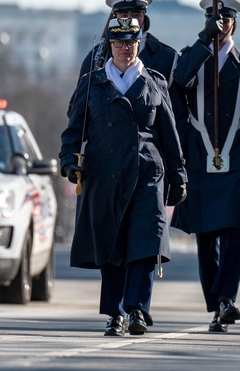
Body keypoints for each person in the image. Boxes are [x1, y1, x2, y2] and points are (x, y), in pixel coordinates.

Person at [59, 17, 187, 336]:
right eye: (118, 43)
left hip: (146, 171)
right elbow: (74, 132)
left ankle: (137, 310)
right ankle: (114, 313)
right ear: (109, 46)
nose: (125, 49)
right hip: (105, 173)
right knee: (112, 245)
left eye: (130, 42)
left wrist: (178, 175)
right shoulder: (92, 83)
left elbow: (170, 136)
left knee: (146, 242)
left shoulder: (155, 82)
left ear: (138, 43)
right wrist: (68, 162)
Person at [172, 0, 240, 332]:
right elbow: (178, 81)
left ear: (234, 23)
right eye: (213, 19)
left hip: (236, 161)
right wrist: (202, 41)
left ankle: (227, 298)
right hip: (200, 161)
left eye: (224, 19)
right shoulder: (191, 59)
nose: (220, 25)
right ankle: (215, 303)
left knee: (232, 233)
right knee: (206, 238)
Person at [76, 0, 179, 83]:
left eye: (135, 15)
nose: (130, 21)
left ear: (145, 19)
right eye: (124, 16)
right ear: (114, 19)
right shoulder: (96, 57)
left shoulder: (166, 56)